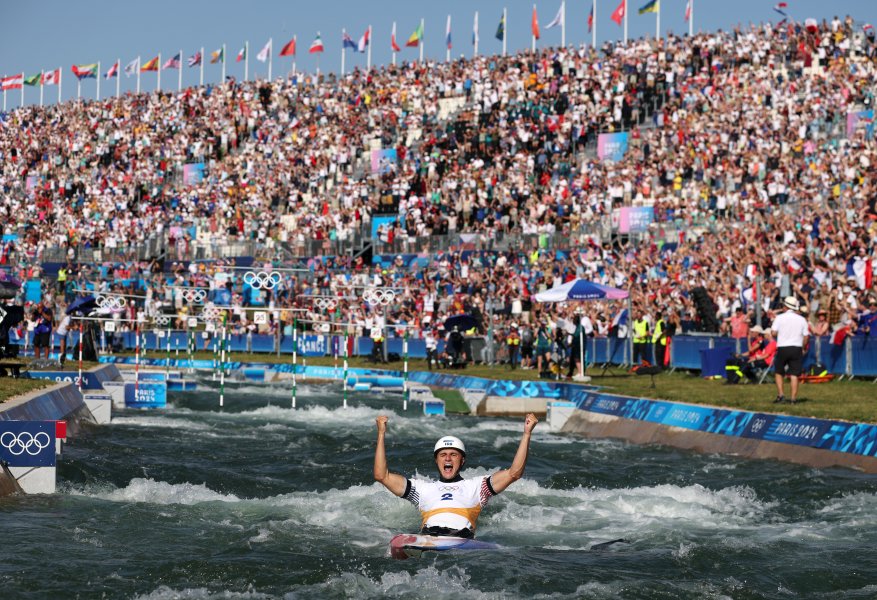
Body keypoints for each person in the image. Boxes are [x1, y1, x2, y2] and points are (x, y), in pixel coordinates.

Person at [373, 413, 538, 539]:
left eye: (453, 454)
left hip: (462, 537)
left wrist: (527, 434)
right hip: (428, 536)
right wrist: (381, 434)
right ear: (436, 460)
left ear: (462, 460)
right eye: (443, 454)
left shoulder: (478, 487)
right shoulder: (420, 489)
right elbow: (382, 476)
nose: (447, 458)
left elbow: (514, 473)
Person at [770, 296, 810, 404]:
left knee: (779, 372)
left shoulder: (780, 318)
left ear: (785, 307)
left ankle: (781, 395)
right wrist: (803, 347)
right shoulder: (802, 319)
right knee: (794, 374)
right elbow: (806, 336)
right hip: (796, 347)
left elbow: (773, 333)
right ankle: (793, 399)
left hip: (783, 347)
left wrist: (781, 334)